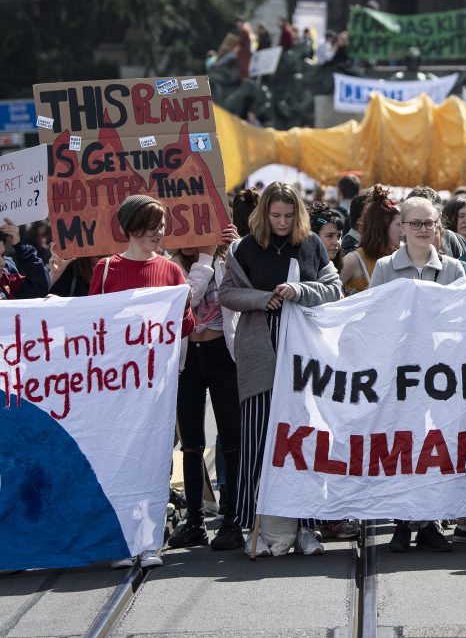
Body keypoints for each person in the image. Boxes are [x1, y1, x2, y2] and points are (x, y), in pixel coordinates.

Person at [219, 182, 343, 557]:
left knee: (304, 440)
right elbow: (227, 293)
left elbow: (334, 289)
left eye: (289, 215)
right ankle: (256, 525)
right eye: (276, 215)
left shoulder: (311, 244)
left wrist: (300, 290)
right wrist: (263, 299)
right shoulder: (243, 248)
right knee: (258, 442)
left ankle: (306, 527)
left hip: (303, 357)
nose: (283, 222)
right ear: (264, 214)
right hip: (261, 353)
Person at [89, 195, 197, 569]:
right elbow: (92, 326)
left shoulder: (171, 271)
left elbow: (184, 328)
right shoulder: (106, 269)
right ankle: (121, 540)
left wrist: (185, 303)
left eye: (161, 225)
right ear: (132, 227)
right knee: (119, 460)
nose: (158, 233)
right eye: (151, 226)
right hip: (117, 386)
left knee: (155, 460)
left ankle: (149, 539)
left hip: (156, 387)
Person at [366, 197, 466, 552]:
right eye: (415, 223)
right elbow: (376, 316)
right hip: (402, 373)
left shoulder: (453, 269)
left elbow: (464, 317)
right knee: (403, 443)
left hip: (442, 375)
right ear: (402, 228)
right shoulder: (385, 267)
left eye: (429, 223)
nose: (423, 230)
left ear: (438, 227)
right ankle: (402, 521)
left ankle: (428, 521)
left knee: (435, 444)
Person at [166, 225, 246, 552]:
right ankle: (195, 522)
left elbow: (248, 285)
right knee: (191, 443)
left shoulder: (227, 259)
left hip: (222, 355)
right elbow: (188, 300)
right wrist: (204, 257)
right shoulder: (172, 265)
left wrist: (236, 247)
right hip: (188, 359)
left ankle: (232, 521)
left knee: (231, 439)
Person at [340, 184, 401, 294]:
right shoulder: (353, 260)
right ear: (382, 226)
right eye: (398, 224)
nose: (404, 229)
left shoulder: (400, 257)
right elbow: (329, 296)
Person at [406, 187, 466, 258]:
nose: (423, 229)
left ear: (439, 216)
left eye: (428, 220)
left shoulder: (452, 240)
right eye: (416, 223)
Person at [0, 218, 49, 300]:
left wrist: (19, 246)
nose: (2, 263)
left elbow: (39, 288)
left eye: (2, 255)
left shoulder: (7, 281)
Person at [308, 202, 344, 272]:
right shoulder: (300, 270)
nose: (337, 242)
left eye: (339, 236)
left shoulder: (341, 267)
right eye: (330, 236)